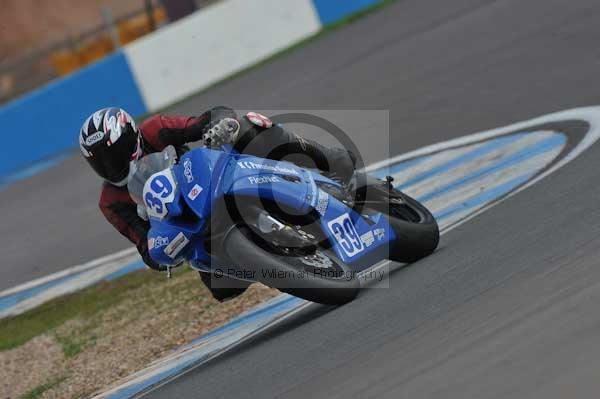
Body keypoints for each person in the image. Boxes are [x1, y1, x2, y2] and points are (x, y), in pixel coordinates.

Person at [78, 106, 356, 301]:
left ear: (131, 138)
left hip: (212, 178)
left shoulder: (155, 130)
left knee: (250, 127)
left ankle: (328, 158)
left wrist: (218, 126)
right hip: (191, 230)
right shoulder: (111, 202)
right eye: (99, 161)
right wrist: (163, 253)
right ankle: (284, 260)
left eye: (112, 154)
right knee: (223, 288)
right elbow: (145, 247)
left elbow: (209, 117)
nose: (109, 165)